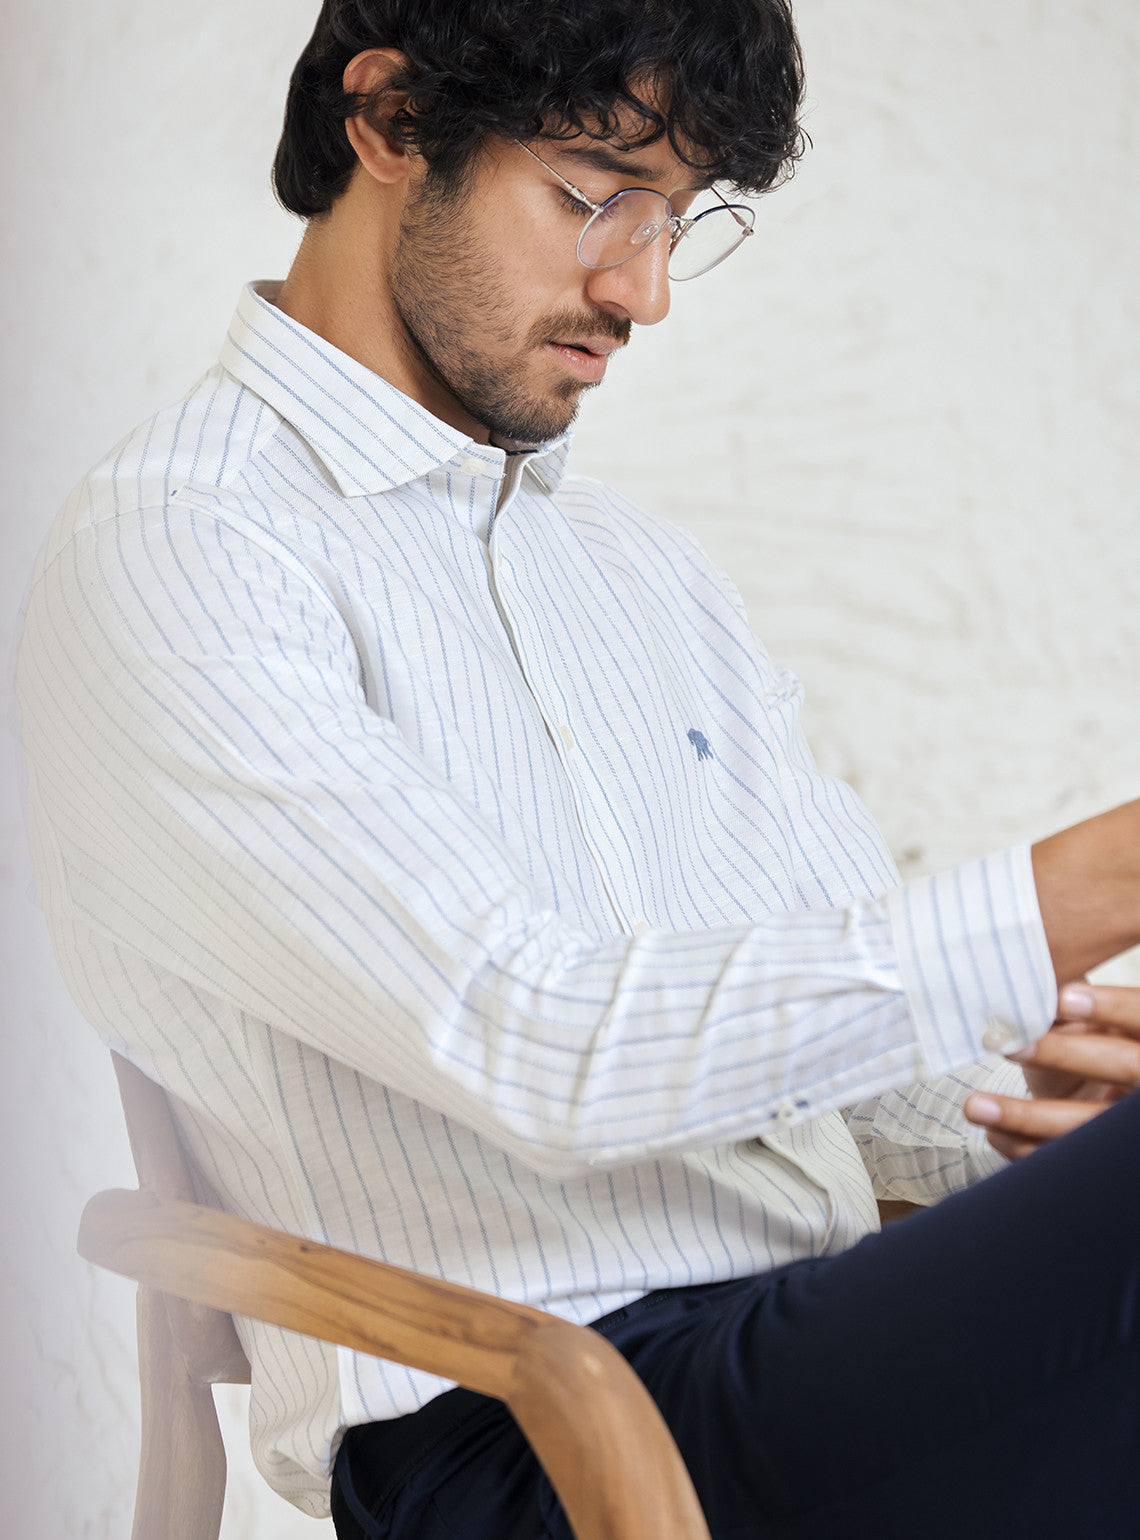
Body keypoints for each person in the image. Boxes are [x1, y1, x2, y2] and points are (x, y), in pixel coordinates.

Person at [15, 0, 1140, 1534]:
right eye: (595, 191)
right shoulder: (184, 543)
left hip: (806, 1345)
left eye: (680, 218)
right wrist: (1094, 881)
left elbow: (867, 1066)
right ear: (393, 121)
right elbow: (529, 1040)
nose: (645, 288)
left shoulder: (649, 579)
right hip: (539, 1425)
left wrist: (1027, 1126)